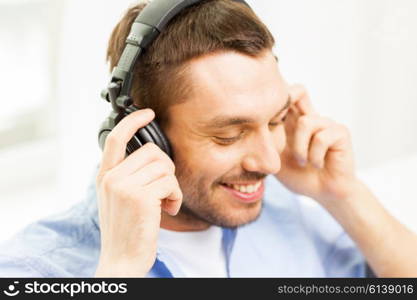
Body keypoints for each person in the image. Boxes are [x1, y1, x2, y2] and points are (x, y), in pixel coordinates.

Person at [1, 0, 416, 278]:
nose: (270, 162)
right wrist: (122, 270)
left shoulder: (286, 211)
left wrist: (342, 194)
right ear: (146, 139)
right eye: (229, 135)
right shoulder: (35, 268)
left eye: (275, 120)